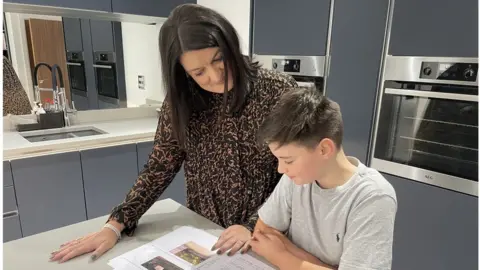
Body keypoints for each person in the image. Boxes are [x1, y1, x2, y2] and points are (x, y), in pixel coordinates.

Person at [49, 3, 297, 263]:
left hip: (268, 235)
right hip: (205, 234)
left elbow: (297, 174)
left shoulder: (277, 91)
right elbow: (160, 167)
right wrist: (115, 225)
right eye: (199, 72)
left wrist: (253, 224)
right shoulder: (183, 100)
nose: (215, 77)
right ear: (184, 73)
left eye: (219, 60)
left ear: (230, 47)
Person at [248, 87, 397, 270]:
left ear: (324, 149)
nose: (280, 169)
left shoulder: (372, 196)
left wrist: (280, 253)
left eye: (288, 160)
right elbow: (263, 233)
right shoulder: (297, 177)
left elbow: (271, 248)